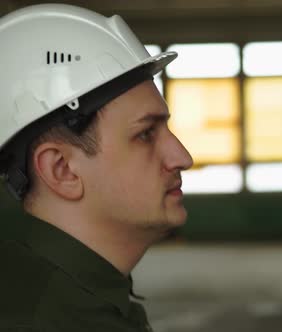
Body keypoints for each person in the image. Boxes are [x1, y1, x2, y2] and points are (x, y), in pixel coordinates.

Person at [0, 4, 193, 331]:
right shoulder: (51, 320)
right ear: (62, 170)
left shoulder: (64, 296)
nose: (182, 157)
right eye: (145, 134)